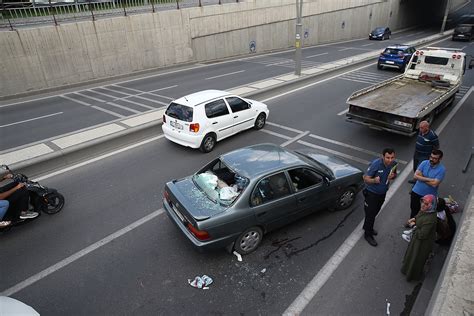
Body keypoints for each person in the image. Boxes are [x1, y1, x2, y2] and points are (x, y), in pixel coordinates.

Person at [362, 148, 398, 247]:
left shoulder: (394, 163)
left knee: (375, 212)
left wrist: (393, 176)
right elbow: (365, 178)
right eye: (387, 158)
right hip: (371, 193)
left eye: (392, 157)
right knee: (370, 213)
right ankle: (367, 234)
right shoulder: (376, 164)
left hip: (382, 193)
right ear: (383, 156)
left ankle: (368, 227)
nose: (390, 160)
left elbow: (395, 174)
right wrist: (374, 180)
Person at [401, 194, 438, 281]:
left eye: (426, 204)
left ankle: (412, 275)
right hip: (416, 239)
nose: (423, 205)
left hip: (422, 244)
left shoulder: (430, 219)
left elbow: (422, 234)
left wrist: (414, 226)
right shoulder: (425, 211)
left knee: (416, 258)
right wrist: (414, 219)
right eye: (423, 202)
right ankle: (406, 269)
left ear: (431, 205)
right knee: (411, 254)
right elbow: (419, 216)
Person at [409, 149, 445, 219]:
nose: (431, 159)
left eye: (435, 158)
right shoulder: (424, 163)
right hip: (416, 192)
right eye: (431, 157)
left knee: (426, 214)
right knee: (414, 210)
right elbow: (415, 176)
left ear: (440, 159)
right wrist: (429, 179)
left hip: (429, 196)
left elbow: (434, 184)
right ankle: (412, 224)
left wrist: (421, 177)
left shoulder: (441, 169)